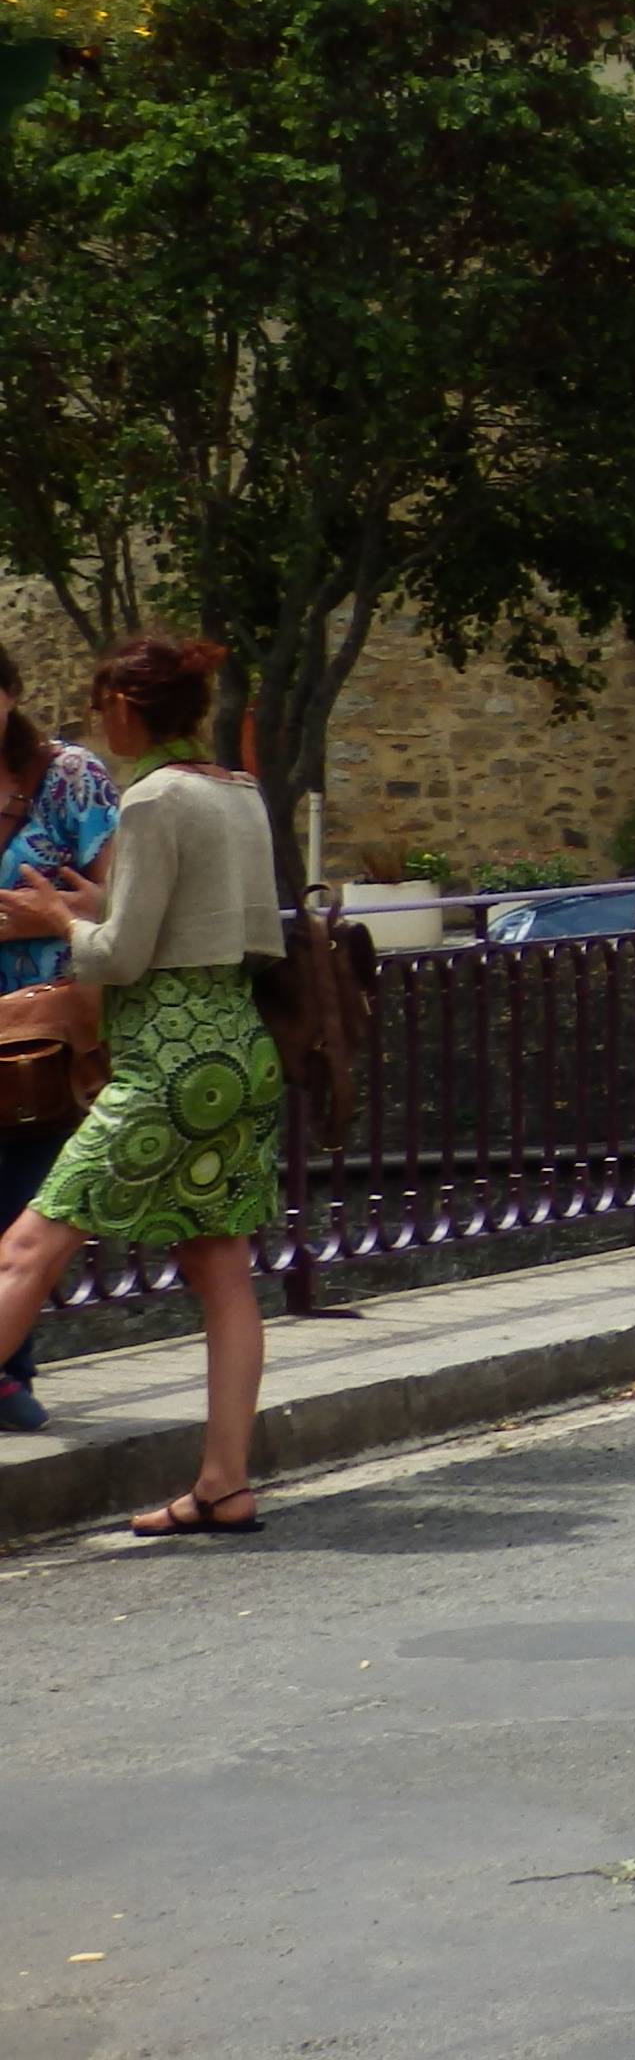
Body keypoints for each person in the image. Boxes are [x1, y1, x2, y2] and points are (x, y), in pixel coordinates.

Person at [0, 637, 284, 1530]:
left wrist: (56, 916)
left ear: (127, 704)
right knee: (220, 1264)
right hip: (236, 1050)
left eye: (102, 704)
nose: (98, 723)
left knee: (25, 1249)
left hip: (166, 1059)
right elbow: (218, 928)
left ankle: (224, 1487)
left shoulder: (156, 797)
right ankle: (223, 1485)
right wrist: (95, 907)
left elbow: (124, 958)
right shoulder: (237, 790)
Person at [0, 647, 119, 1437]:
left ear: (9, 694)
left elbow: (125, 898)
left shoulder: (69, 777)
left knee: (18, 1203)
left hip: (34, 1037)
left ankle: (9, 1373)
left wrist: (58, 918)